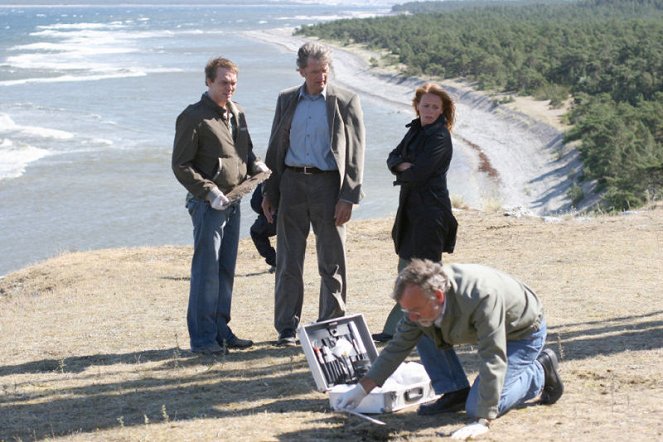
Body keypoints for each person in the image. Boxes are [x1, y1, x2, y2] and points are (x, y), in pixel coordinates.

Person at [336, 259, 564, 440]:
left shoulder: (481, 297)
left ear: (438, 295)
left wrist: (483, 420)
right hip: (481, 328)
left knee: (477, 406)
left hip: (521, 333)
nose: (411, 317)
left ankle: (540, 372)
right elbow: (397, 347)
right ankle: (454, 391)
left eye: (415, 310)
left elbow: (493, 356)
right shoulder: (421, 306)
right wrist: (362, 389)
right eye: (408, 312)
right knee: (418, 329)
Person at [261, 42, 366, 347]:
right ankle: (286, 330)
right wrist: (269, 191)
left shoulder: (346, 100)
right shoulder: (286, 100)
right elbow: (275, 146)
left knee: (331, 261)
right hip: (291, 184)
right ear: (301, 71)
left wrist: (349, 196)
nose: (321, 76)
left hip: (329, 187)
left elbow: (356, 153)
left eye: (324, 70)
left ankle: (330, 325)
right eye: (314, 71)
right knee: (287, 262)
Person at [172, 57, 268, 354]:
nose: (230, 87)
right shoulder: (193, 117)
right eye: (224, 82)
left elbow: (246, 151)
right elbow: (181, 165)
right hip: (207, 206)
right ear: (209, 82)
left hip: (235, 200)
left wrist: (256, 165)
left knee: (226, 269)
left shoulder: (237, 113)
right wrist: (208, 190)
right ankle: (202, 340)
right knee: (206, 270)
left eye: (233, 82)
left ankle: (220, 331)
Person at [372, 82, 458, 344]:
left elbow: (418, 172)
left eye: (435, 107)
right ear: (417, 106)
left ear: (442, 110)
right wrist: (402, 165)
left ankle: (400, 332)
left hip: (430, 213)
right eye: (425, 105)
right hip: (411, 209)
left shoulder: (440, 137)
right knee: (408, 270)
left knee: (422, 275)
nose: (429, 110)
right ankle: (408, 331)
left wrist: (403, 166)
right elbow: (392, 158)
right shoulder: (415, 130)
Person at [249, 183, 276, 273]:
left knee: (256, 232)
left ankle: (276, 261)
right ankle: (276, 261)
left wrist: (267, 194)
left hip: (276, 209)